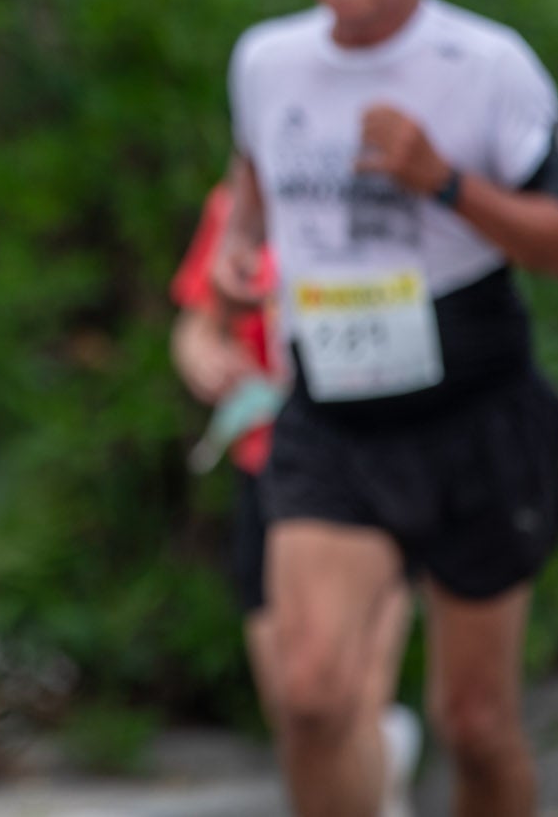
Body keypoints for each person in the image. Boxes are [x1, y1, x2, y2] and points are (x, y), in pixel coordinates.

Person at [214, 0, 558, 817]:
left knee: (473, 725)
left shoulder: (484, 64)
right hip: (333, 418)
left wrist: (441, 180)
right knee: (309, 699)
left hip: (471, 412)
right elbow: (253, 180)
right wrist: (240, 239)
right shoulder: (266, 59)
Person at [170, 185, 421, 817]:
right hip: (270, 469)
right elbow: (197, 326)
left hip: (373, 467)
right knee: (295, 708)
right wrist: (207, 358)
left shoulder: (392, 196)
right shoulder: (240, 207)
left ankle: (381, 771)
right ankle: (383, 769)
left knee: (351, 698)